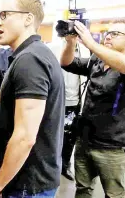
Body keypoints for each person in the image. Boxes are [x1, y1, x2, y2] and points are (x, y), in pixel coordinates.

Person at [0, 0, 65, 198]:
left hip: (29, 183)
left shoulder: (30, 59)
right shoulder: (29, 54)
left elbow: (25, 136)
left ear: (28, 18)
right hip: (26, 178)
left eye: (4, 15)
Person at [60, 20, 125, 198]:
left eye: (116, 34)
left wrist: (90, 43)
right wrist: (70, 43)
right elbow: (67, 62)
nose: (109, 36)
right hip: (85, 139)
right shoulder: (97, 60)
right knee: (83, 188)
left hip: (112, 146)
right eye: (108, 33)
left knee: (114, 194)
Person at [49, 38, 91, 181]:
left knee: (70, 137)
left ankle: (64, 166)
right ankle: (51, 166)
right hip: (56, 100)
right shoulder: (53, 47)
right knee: (53, 135)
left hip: (76, 101)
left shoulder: (85, 49)